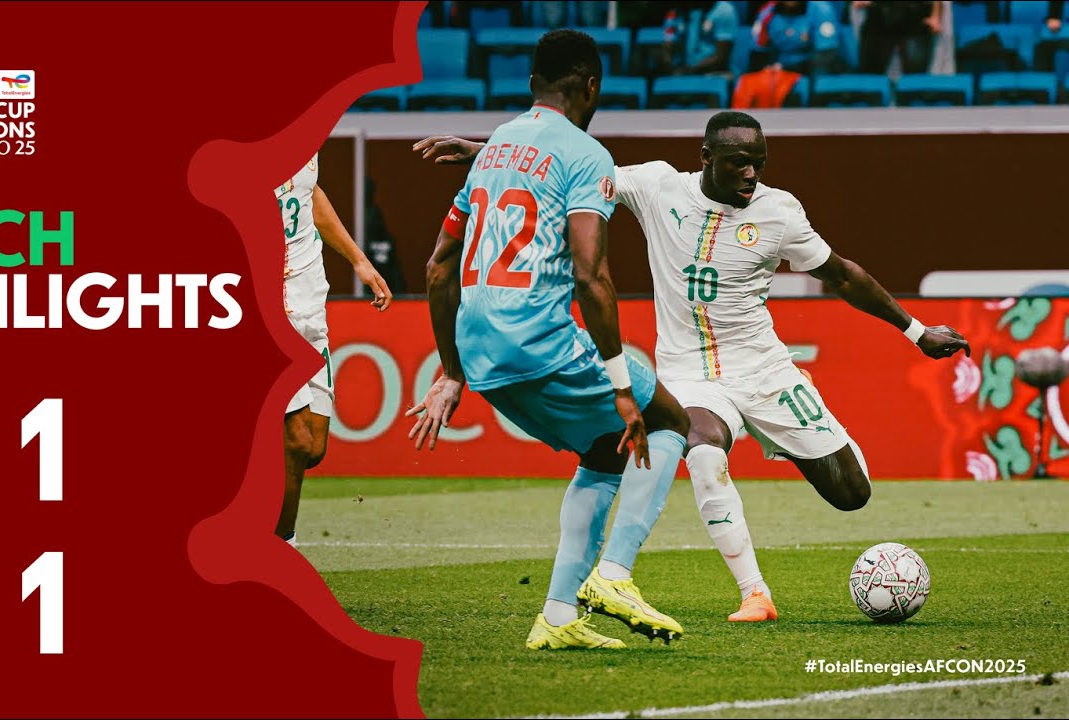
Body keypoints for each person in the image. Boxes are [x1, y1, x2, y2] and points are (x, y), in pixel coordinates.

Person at [413, 111, 970, 624]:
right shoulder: (659, 185)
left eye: (758, 163)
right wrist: (485, 152)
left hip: (765, 369)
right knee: (700, 445)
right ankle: (755, 594)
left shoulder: (780, 213)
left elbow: (843, 275)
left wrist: (918, 332)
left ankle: (797, 418)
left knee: (852, 494)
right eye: (738, 163)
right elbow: (572, 170)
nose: (750, 174)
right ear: (705, 156)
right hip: (688, 374)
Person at [407, 29, 692, 650]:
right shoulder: (588, 155)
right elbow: (591, 277)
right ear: (591, 85)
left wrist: (451, 372)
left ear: (533, 83)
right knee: (672, 421)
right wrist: (621, 386)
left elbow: (437, 268)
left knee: (604, 450)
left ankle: (559, 618)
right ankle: (614, 576)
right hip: (541, 341)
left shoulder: (495, 148)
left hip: (480, 355)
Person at [277, 152, 392, 548]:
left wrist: (359, 260)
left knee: (313, 447)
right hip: (268, 308)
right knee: (295, 441)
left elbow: (308, 192)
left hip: (309, 304)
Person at [750, 0, 842, 74]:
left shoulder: (821, 9)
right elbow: (758, 52)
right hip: (777, 72)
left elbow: (826, 53)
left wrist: (788, 71)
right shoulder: (767, 12)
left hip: (811, 71)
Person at [855, 0, 942, 75]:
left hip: (915, 18)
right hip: (879, 17)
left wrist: (936, 15)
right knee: (871, 74)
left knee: (915, 77)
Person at [658, 1, 739, 76]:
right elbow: (668, 44)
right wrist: (668, 61)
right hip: (685, 71)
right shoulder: (677, 11)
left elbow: (721, 57)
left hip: (716, 72)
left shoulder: (724, 11)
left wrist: (689, 71)